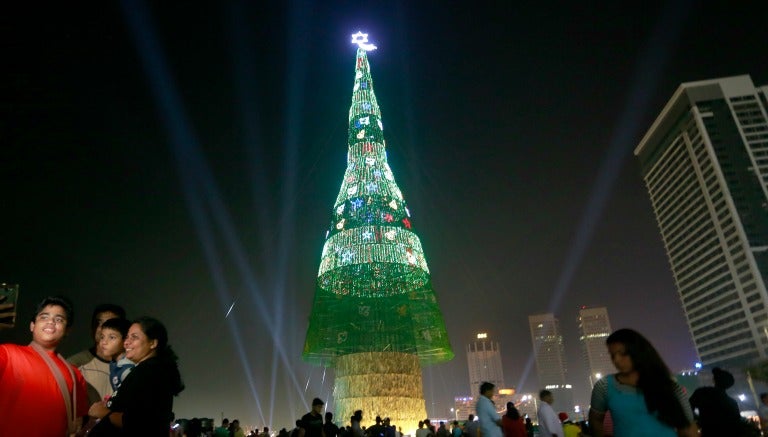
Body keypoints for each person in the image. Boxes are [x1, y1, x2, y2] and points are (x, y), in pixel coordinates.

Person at [0, 295, 89, 435]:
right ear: (32, 326)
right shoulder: (8, 353)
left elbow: (76, 423)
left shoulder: (75, 375)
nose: (51, 322)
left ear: (67, 330)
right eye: (44, 317)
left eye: (59, 319)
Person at [588, 328, 697, 437]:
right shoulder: (605, 386)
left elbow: (687, 428)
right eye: (612, 355)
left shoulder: (669, 386)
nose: (616, 360)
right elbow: (595, 421)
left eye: (622, 353)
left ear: (637, 351)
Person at [87, 316, 185, 436]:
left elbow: (138, 422)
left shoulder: (150, 373)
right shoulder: (147, 370)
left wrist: (104, 413)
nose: (126, 342)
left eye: (134, 337)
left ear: (153, 343)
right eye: (127, 337)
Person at [68, 303, 127, 403]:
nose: (103, 329)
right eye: (99, 323)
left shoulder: (133, 365)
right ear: (92, 328)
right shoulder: (74, 364)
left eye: (110, 324)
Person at [688, 367, 742, 436]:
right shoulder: (732, 403)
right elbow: (737, 426)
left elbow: (688, 408)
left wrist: (699, 420)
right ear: (729, 385)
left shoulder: (702, 392)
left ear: (714, 379)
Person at [98, 317, 135, 394]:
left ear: (125, 340)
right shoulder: (114, 363)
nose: (104, 342)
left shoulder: (127, 370)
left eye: (112, 337)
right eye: (102, 337)